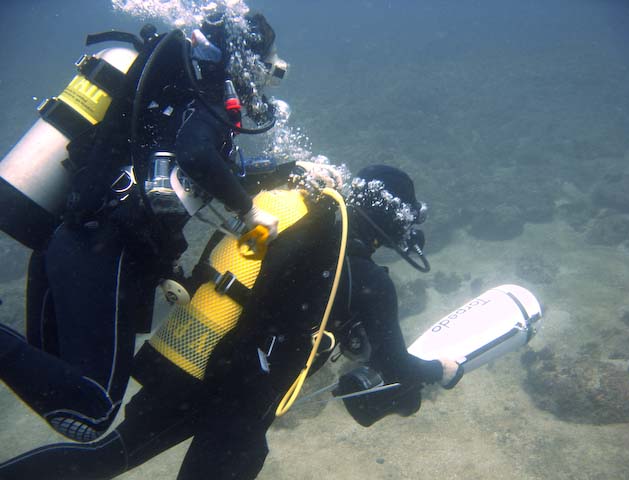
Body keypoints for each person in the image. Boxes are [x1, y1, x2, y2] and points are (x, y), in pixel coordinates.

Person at [0, 163, 463, 479]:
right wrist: (441, 369)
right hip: (240, 407)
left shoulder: (294, 225)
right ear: (388, 225)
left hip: (194, 366)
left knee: (105, 457)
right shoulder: (369, 280)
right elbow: (396, 365)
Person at [0, 8, 287, 443]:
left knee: (55, 375)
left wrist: (285, 169)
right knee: (91, 411)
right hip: (104, 250)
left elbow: (206, 169)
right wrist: (250, 212)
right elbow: (197, 155)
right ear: (244, 62)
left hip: (66, 238)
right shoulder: (209, 102)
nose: (271, 72)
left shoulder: (173, 98)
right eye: (268, 62)